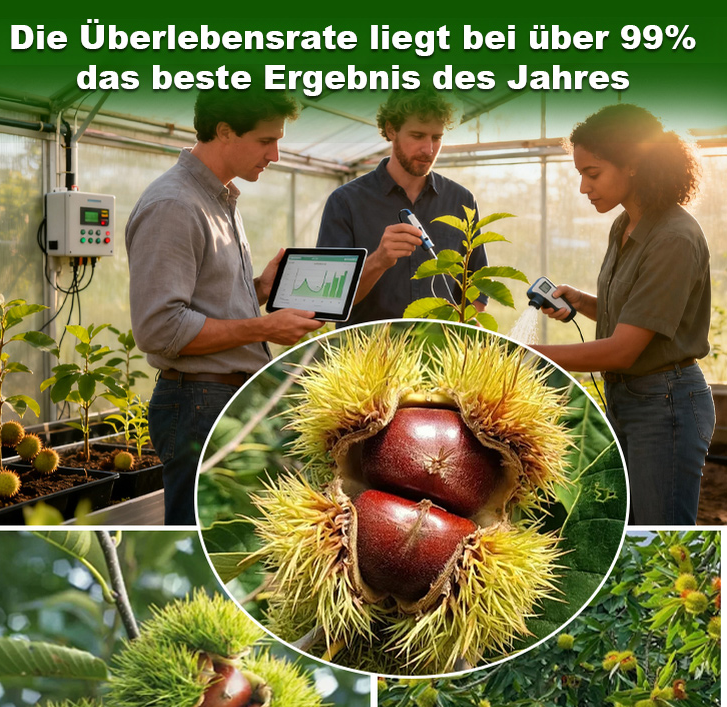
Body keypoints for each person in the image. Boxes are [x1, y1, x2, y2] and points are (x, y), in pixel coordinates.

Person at [126, 92, 323, 524]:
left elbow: (203, 301)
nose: (275, 154)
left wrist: (258, 290)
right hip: (198, 403)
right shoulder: (174, 205)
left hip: (220, 398)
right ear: (224, 132)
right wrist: (264, 328)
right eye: (266, 140)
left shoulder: (218, 200)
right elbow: (160, 329)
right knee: (200, 537)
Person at [533, 104, 714, 526]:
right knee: (629, 526)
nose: (583, 187)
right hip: (630, 399)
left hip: (665, 403)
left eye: (592, 173)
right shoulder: (626, 225)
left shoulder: (674, 237)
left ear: (632, 165)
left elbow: (624, 350)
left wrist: (530, 353)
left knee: (659, 531)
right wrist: (581, 301)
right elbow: (635, 318)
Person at [317, 92, 487, 325]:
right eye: (417, 135)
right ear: (391, 130)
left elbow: (477, 288)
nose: (428, 149)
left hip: (440, 354)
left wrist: (466, 325)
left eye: (436, 137)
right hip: (368, 355)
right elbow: (329, 299)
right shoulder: (346, 202)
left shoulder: (462, 201)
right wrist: (379, 260)